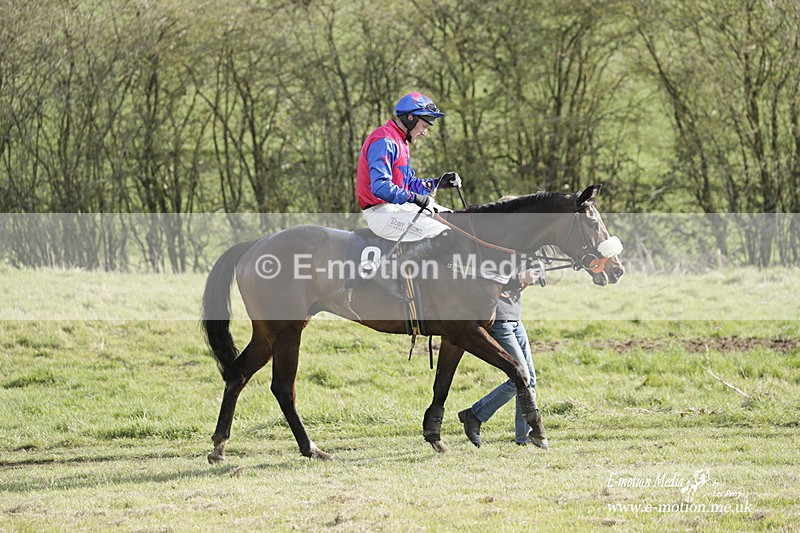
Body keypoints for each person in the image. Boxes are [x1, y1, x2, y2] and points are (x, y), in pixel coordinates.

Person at [356, 92, 462, 299]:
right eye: (424, 126)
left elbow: (409, 184)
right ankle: (388, 270)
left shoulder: (400, 142)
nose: (425, 133)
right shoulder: (384, 140)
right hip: (381, 212)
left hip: (397, 208)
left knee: (454, 219)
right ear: (410, 118)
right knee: (445, 234)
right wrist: (414, 198)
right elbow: (381, 187)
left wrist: (437, 183)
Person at [457, 259, 549, 449]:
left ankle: (524, 437)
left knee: (529, 378)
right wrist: (518, 277)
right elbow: (482, 278)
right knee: (520, 378)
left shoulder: (518, 247)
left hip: (516, 319)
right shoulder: (491, 247)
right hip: (499, 320)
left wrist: (534, 271)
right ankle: (475, 415)